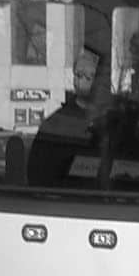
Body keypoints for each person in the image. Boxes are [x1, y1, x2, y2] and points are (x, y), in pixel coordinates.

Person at [27, 46, 102, 186]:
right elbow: (37, 176)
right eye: (79, 74)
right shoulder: (56, 124)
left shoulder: (112, 122)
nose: (81, 80)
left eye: (88, 76)